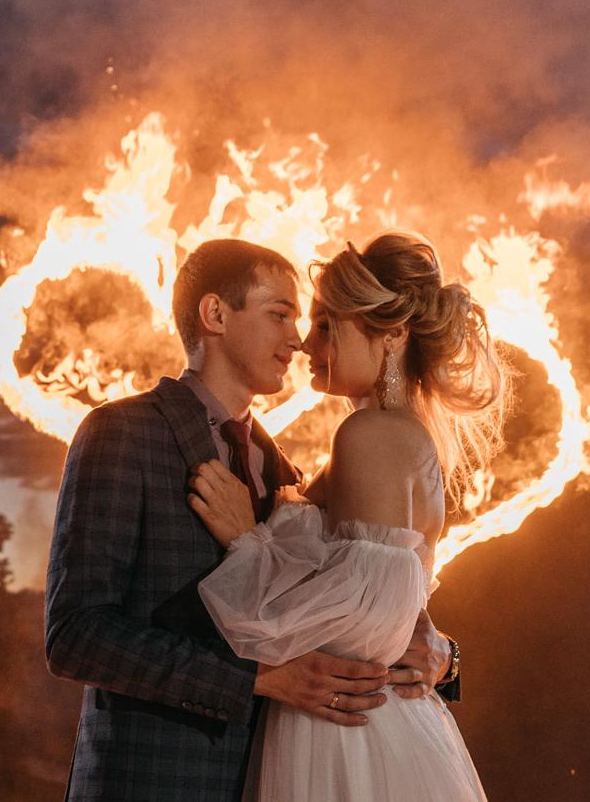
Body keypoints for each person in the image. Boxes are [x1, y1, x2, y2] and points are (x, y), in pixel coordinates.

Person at [44, 238, 454, 801]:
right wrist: (258, 679)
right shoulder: (123, 434)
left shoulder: (285, 471)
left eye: (310, 321)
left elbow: (353, 610)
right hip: (155, 784)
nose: (299, 339)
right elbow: (75, 636)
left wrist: (443, 654)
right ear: (215, 314)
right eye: (280, 315)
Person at [190, 232, 504, 801]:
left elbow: (355, 624)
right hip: (362, 719)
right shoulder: (391, 435)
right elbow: (381, 604)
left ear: (392, 336)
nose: (307, 344)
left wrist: (246, 540)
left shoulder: (370, 434)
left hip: (345, 729)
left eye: (327, 325)